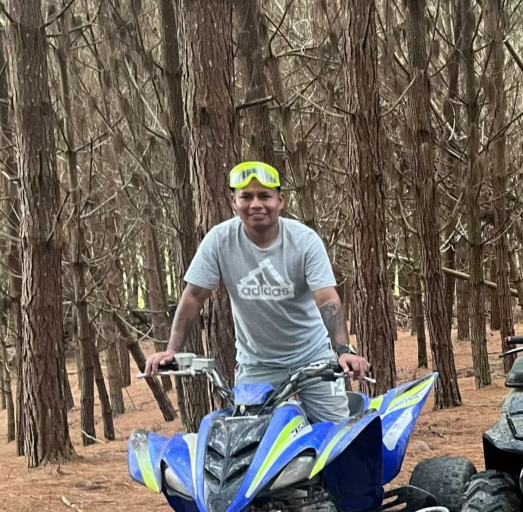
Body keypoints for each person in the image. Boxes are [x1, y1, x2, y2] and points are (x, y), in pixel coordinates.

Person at [144, 160, 370, 423]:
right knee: (248, 440)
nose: (256, 204)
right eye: (246, 197)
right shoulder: (219, 240)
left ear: (280, 200)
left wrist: (343, 350)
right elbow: (193, 296)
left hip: (312, 357)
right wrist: (171, 349)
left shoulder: (304, 241)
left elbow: (327, 298)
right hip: (257, 364)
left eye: (265, 196)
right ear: (233, 201)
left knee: (335, 437)